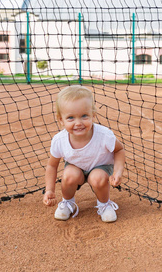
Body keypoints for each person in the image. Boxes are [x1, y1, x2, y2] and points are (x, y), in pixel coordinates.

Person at [43, 85, 125, 222]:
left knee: (97, 177)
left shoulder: (104, 135)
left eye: (84, 116)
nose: (78, 123)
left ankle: (104, 204)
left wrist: (117, 172)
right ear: (61, 120)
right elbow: (52, 166)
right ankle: (68, 202)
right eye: (70, 118)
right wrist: (49, 190)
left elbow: (119, 150)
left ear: (93, 114)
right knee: (69, 175)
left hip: (101, 167)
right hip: (76, 168)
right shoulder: (59, 140)